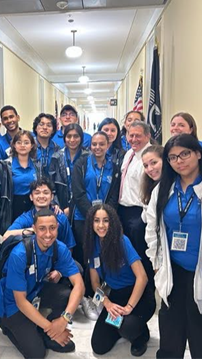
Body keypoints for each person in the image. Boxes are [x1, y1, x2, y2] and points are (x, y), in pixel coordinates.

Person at [145, 134, 202, 359]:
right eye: (173, 157)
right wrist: (157, 264)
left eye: (185, 154)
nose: (179, 161)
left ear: (198, 153)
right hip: (172, 269)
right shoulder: (164, 188)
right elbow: (152, 227)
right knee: (170, 330)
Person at [0, 209, 85, 359]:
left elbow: (79, 285)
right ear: (34, 228)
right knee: (37, 354)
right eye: (42, 229)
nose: (48, 234)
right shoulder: (20, 254)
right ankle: (1, 319)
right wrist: (51, 328)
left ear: (57, 226)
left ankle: (46, 333)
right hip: (12, 302)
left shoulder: (59, 248)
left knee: (66, 295)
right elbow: (20, 301)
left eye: (52, 228)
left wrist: (64, 320)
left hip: (34, 290)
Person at [85, 204, 155, 357]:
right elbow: (95, 283)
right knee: (99, 346)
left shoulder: (122, 241)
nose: (101, 225)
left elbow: (142, 278)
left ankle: (141, 335)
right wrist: (107, 303)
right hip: (116, 295)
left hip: (139, 294)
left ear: (113, 222)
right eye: (97, 221)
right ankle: (119, 328)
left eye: (106, 220)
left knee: (128, 327)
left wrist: (129, 307)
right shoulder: (92, 245)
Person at [72, 131, 121, 319]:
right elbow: (78, 193)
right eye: (94, 144)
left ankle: (99, 294)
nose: (98, 148)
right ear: (89, 146)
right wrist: (93, 216)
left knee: (101, 256)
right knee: (85, 257)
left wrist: (104, 217)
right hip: (82, 218)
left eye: (102, 144)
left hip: (104, 221)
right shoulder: (81, 164)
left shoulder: (114, 167)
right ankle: (86, 296)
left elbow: (114, 194)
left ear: (108, 145)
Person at [118, 121, 153, 275]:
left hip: (139, 214)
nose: (133, 139)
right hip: (124, 211)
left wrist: (143, 218)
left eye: (138, 135)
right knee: (128, 256)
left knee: (141, 257)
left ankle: (146, 295)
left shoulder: (150, 158)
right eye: (130, 135)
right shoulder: (129, 154)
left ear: (148, 136)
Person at [4, 178, 76, 252]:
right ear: (31, 197)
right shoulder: (26, 218)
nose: (41, 196)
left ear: (52, 197)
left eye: (45, 192)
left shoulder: (61, 217)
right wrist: (33, 230)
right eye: (37, 193)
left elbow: (69, 246)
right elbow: (6, 236)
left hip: (56, 260)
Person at [0, 130, 38, 238]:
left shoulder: (37, 165)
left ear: (32, 146)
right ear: (14, 145)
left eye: (26, 142)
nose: (22, 145)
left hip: (32, 208)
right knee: (9, 243)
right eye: (19, 142)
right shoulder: (4, 165)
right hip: (10, 209)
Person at [49, 123, 88, 217]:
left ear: (81, 138)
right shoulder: (56, 157)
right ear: (64, 138)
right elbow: (51, 184)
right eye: (69, 136)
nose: (72, 140)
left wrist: (73, 207)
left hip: (82, 207)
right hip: (61, 206)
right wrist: (55, 204)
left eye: (76, 136)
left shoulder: (88, 157)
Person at [32, 113, 60, 178]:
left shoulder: (57, 149)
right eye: (41, 124)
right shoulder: (29, 147)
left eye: (49, 125)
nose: (45, 128)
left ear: (53, 130)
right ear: (36, 128)